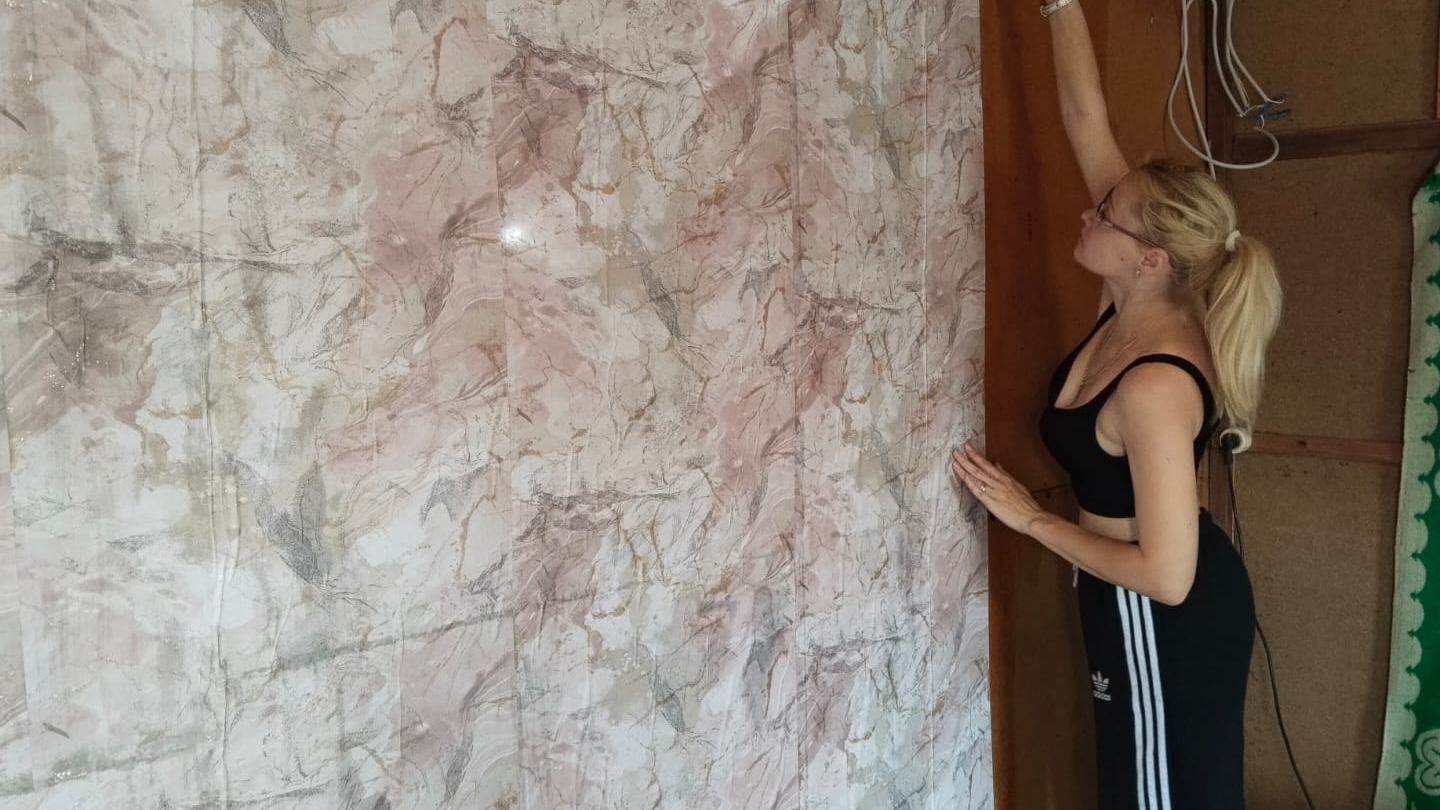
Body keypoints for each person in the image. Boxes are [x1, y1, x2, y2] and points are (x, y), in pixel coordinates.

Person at [949, 0, 1283, 807]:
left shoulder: (1157, 383)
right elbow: (1084, 117)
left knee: (1154, 797)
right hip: (1124, 593)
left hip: (1160, 609)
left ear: (1149, 258)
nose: (1088, 211)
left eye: (1105, 215)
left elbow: (1167, 576)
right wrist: (1060, 5)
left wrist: (1031, 521)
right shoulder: (1138, 291)